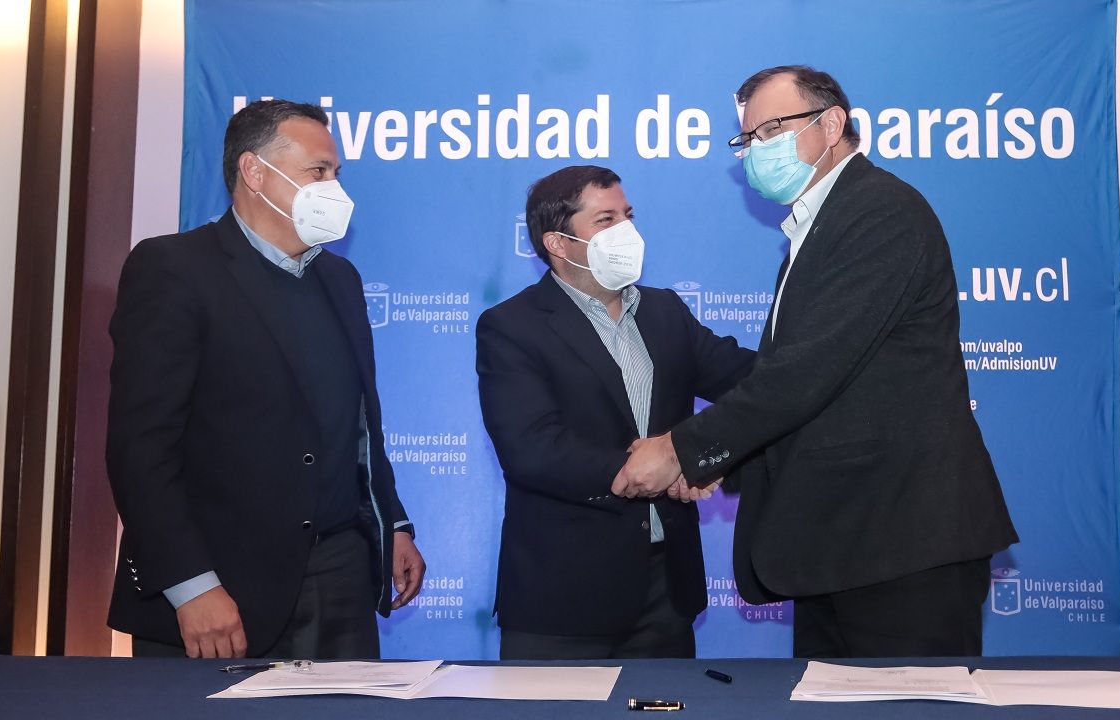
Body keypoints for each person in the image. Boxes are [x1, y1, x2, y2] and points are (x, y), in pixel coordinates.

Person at [615, 66, 1018, 658]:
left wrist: (682, 450)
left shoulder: (880, 212)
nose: (756, 151)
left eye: (771, 131)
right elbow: (828, 398)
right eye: (748, 138)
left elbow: (807, 374)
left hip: (902, 544)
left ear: (831, 125)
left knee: (906, 702)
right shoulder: (820, 225)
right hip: (841, 544)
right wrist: (726, 464)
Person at [106, 99, 424, 659]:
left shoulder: (340, 279)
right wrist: (191, 585)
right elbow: (141, 448)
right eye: (318, 172)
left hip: (340, 576)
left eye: (336, 173)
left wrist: (391, 522)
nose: (334, 189)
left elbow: (357, 429)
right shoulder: (174, 269)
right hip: (222, 586)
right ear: (254, 172)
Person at [477, 165, 755, 659]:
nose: (625, 229)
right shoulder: (512, 326)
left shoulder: (666, 311)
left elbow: (751, 386)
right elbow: (531, 449)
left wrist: (697, 457)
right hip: (561, 598)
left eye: (628, 215)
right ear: (558, 243)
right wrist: (645, 469)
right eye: (605, 220)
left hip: (667, 591)